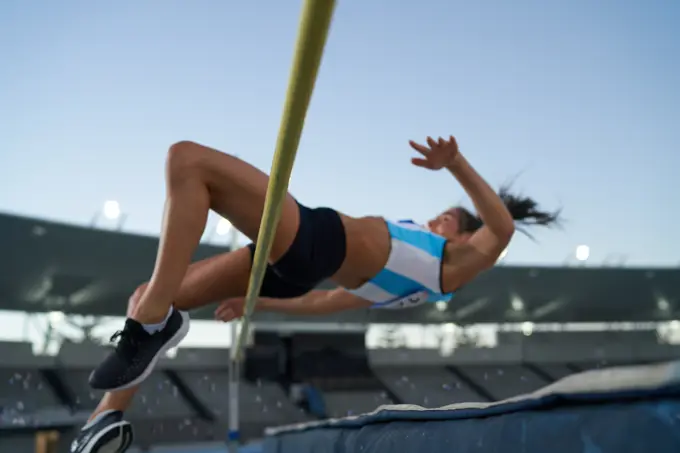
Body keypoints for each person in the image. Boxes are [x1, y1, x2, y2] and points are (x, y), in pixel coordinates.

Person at [71, 135, 559, 452]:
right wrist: (257, 301)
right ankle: (107, 419)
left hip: (316, 239)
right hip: (302, 265)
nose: (434, 221)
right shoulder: (406, 285)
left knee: (187, 160)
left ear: (463, 235)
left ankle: (154, 324)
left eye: (445, 220)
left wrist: (456, 164)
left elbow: (502, 226)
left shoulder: (453, 264)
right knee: (148, 292)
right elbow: (325, 302)